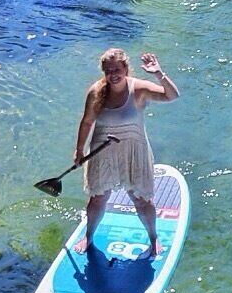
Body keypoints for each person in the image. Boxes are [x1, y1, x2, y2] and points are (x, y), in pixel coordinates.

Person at [73, 48, 178, 255]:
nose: (113, 74)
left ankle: (153, 238)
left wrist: (158, 73)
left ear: (126, 68)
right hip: (103, 151)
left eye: (117, 69)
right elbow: (86, 122)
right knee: (98, 198)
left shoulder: (138, 89)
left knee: (141, 200)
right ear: (103, 71)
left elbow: (172, 96)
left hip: (134, 152)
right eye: (108, 70)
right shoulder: (96, 92)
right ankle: (88, 236)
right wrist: (78, 150)